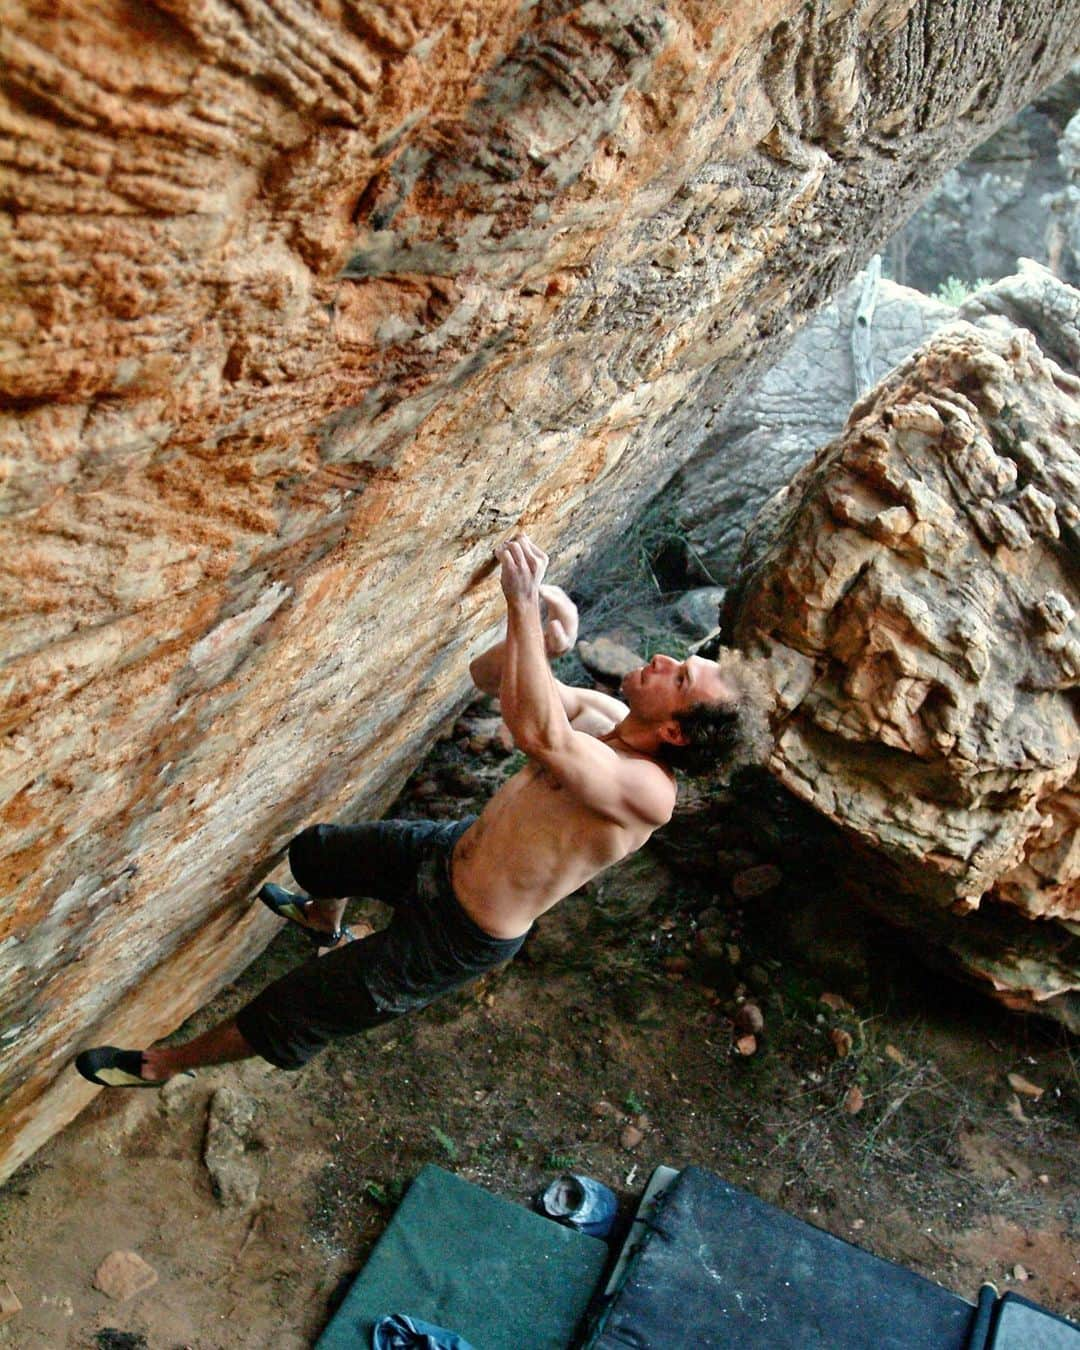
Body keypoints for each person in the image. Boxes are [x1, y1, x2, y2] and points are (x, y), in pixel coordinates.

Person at [76, 534, 772, 1089]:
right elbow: (493, 679)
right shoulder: (612, 717)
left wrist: (524, 606)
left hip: (459, 935)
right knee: (317, 853)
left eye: (678, 677)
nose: (658, 657)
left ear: (677, 731)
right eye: (680, 660)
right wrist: (548, 646)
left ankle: (161, 1065)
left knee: (294, 1011)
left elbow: (538, 734)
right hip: (449, 851)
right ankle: (324, 921)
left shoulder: (650, 794)